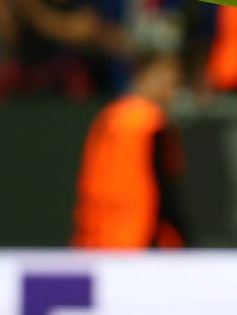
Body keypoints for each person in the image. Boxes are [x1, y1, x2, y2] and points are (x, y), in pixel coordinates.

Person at [72, 50, 187, 248]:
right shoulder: (150, 122)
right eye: (169, 79)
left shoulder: (109, 118)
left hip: (98, 239)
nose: (172, 89)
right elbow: (164, 191)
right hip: (139, 240)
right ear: (146, 75)